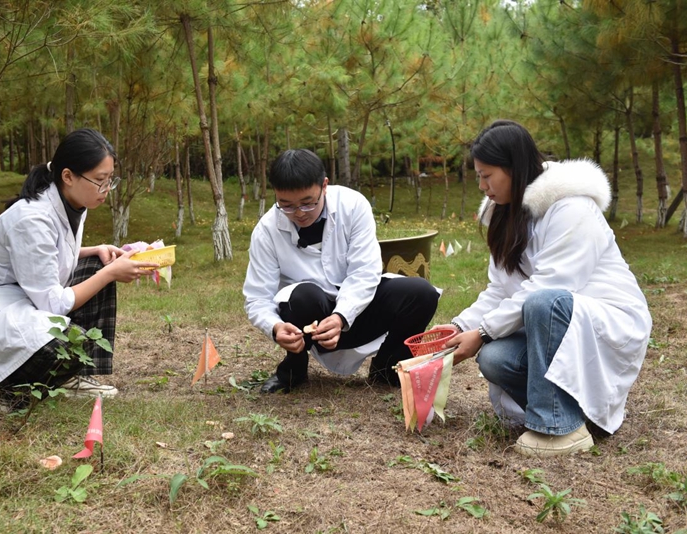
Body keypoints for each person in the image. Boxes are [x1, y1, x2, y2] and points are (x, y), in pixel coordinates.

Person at [436, 120, 651, 457]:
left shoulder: (572, 207)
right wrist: (461, 326)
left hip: (606, 320)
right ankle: (572, 412)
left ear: (513, 168)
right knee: (493, 359)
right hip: (555, 322)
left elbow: (552, 285)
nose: (482, 185)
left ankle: (560, 429)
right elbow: (500, 290)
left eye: (487, 175)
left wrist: (482, 331)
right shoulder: (505, 214)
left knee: (542, 302)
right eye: (478, 176)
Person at [0, 128, 158, 413]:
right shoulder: (31, 218)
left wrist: (94, 251)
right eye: (99, 181)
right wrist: (110, 273)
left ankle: (72, 378)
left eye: (110, 180)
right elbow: (51, 302)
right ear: (68, 176)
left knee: (97, 264)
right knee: (68, 341)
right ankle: (4, 390)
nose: (106, 190)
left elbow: (41, 256)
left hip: (16, 296)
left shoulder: (73, 201)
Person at [243, 149, 440, 393]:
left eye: (307, 203)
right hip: (308, 319)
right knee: (303, 296)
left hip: (359, 311)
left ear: (324, 186)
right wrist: (274, 327)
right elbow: (257, 297)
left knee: (421, 293)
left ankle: (386, 368)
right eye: (286, 206)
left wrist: (341, 316)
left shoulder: (353, 205)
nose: (298, 214)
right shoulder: (267, 230)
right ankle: (293, 368)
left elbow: (364, 273)